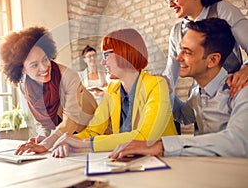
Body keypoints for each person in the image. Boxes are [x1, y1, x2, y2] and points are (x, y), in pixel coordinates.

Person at [109, 18, 248, 158]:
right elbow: (183, 116)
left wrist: (162, 146)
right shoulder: (196, 93)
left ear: (212, 60)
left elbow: (239, 141)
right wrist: (166, 91)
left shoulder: (241, 89)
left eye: (187, 52)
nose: (178, 57)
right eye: (180, 49)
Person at [49, 28, 177, 158]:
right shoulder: (112, 89)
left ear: (124, 53)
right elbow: (93, 130)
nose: (102, 62)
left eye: (106, 55)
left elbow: (145, 137)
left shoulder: (157, 85)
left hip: (165, 162)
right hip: (127, 161)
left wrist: (83, 143)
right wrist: (69, 141)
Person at [0, 26, 98, 154]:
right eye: (34, 65)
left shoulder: (69, 76)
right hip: (66, 140)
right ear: (22, 69)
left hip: (91, 134)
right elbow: (42, 120)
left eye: (45, 59)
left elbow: (71, 121)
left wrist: (47, 143)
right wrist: (43, 136)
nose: (44, 67)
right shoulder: (25, 86)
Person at [162, 0, 248, 99]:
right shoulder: (177, 31)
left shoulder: (222, 10)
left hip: (233, 96)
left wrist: (246, 68)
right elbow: (170, 74)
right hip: (199, 103)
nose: (170, 4)